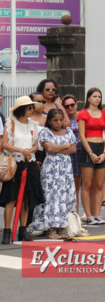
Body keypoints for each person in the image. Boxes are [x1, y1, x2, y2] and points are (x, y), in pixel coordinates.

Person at [1, 97, 45, 243]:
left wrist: (29, 150)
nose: (33, 110)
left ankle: (23, 230)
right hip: (15, 162)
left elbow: (36, 145)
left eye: (33, 107)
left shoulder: (34, 124)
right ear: (22, 109)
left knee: (27, 197)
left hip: (30, 162)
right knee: (11, 198)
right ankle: (7, 231)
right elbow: (5, 144)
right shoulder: (10, 122)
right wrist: (21, 150)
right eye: (30, 107)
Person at [30, 109, 76, 238]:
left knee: (65, 196)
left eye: (61, 120)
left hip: (66, 169)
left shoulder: (68, 131)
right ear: (49, 121)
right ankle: (50, 228)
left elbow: (73, 150)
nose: (58, 123)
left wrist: (58, 148)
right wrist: (65, 145)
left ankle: (61, 228)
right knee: (52, 196)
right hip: (51, 169)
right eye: (55, 120)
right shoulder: (45, 132)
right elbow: (49, 148)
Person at [77, 87, 105, 225]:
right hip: (88, 148)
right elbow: (81, 135)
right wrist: (90, 153)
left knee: (99, 185)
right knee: (87, 184)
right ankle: (89, 215)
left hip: (101, 147)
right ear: (89, 98)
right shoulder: (83, 113)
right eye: (95, 96)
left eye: (99, 97)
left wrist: (104, 153)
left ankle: (97, 214)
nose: (97, 99)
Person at [62, 95, 82, 215]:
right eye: (67, 106)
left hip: (81, 152)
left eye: (72, 105)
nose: (70, 107)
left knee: (79, 186)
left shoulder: (82, 116)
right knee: (70, 187)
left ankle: (77, 213)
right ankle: (71, 213)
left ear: (76, 104)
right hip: (69, 154)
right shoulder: (64, 120)